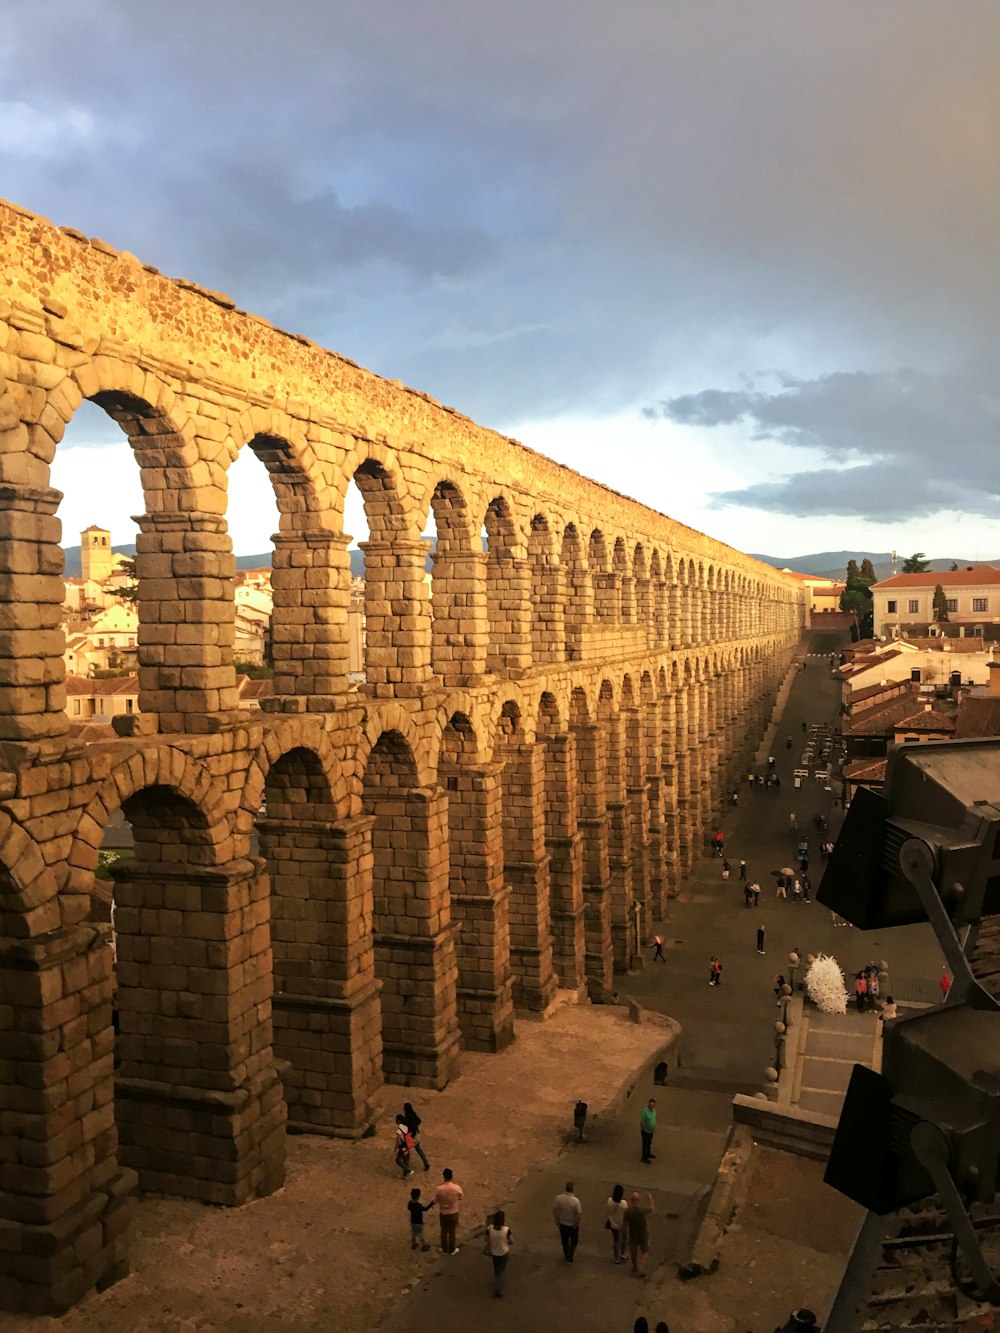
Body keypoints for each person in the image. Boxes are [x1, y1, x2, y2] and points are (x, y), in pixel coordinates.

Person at [624, 1190, 656, 1276]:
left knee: (633, 1251)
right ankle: (641, 1269)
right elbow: (652, 1208)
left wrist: (623, 1232)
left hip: (633, 1233)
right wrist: (650, 1199)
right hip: (642, 1233)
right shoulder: (642, 1210)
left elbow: (625, 1224)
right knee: (645, 1251)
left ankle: (635, 1266)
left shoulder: (628, 1211)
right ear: (638, 1200)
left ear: (631, 1200)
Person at [434, 1168, 464, 1255]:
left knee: (444, 1231)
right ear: (452, 1176)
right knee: (452, 1231)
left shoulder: (439, 1189)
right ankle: (451, 1249)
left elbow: (436, 1200)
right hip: (453, 1212)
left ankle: (444, 1249)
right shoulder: (457, 1188)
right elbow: (461, 1197)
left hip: (443, 1213)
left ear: (444, 1177)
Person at [485, 1209, 512, 1297]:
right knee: (501, 1271)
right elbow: (511, 1240)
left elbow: (487, 1239)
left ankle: (497, 1280)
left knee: (497, 1269)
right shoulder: (506, 1230)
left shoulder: (490, 1229)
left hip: (494, 1253)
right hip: (503, 1252)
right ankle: (498, 1289)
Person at [553, 1182, 582, 1262]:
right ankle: (570, 1256)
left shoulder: (559, 1198)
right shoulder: (576, 1201)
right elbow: (579, 1214)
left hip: (562, 1224)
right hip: (572, 1224)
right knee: (574, 1241)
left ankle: (566, 1255)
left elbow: (555, 1209)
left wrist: (557, 1220)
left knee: (564, 1241)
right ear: (573, 1189)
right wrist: (576, 1224)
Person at [402, 1101, 430, 1171]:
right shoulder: (413, 1114)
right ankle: (426, 1163)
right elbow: (419, 1121)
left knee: (407, 1152)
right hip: (416, 1135)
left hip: (410, 1137)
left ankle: (406, 1168)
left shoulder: (407, 1118)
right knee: (418, 1149)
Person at [606, 1183, 627, 1264]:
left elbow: (608, 1211)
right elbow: (625, 1214)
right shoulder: (624, 1204)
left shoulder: (609, 1201)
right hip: (622, 1224)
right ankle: (623, 1253)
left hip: (613, 1223)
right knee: (624, 1239)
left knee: (616, 1240)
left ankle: (616, 1257)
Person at [394, 1113, 415, 1179]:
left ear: (399, 1121)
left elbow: (398, 1141)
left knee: (398, 1160)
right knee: (406, 1161)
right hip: (408, 1145)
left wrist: (395, 1148)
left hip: (403, 1147)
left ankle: (409, 1171)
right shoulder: (406, 1126)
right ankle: (404, 1176)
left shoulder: (398, 1130)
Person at [640, 1097, 656, 1162]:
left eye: (653, 1105)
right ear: (648, 1104)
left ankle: (648, 1154)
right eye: (650, 1105)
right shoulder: (645, 1112)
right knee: (645, 1144)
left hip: (651, 1131)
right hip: (646, 1131)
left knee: (649, 1143)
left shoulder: (654, 1110)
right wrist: (644, 1130)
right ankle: (644, 1157)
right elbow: (642, 1122)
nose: (652, 1106)